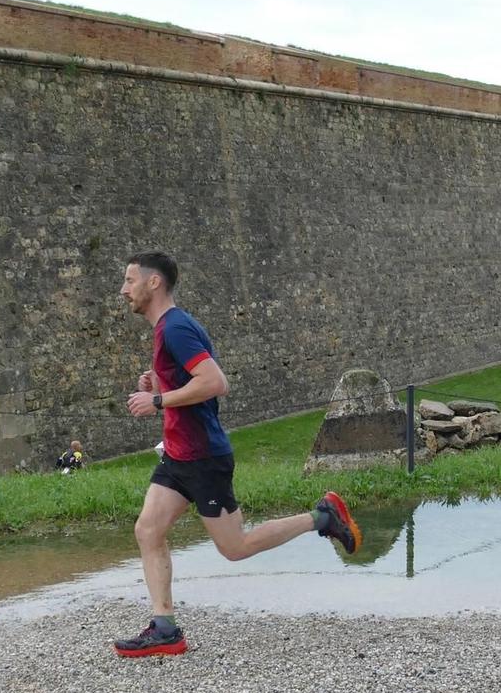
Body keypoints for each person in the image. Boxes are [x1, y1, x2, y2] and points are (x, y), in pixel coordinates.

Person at [114, 252, 359, 658]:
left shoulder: (175, 327)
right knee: (148, 530)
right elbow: (187, 380)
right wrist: (158, 381)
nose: (124, 290)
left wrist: (157, 400)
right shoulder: (168, 328)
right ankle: (165, 629)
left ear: (153, 283)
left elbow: (215, 382)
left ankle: (323, 516)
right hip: (178, 455)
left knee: (235, 548)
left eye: (129, 280)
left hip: (204, 457)